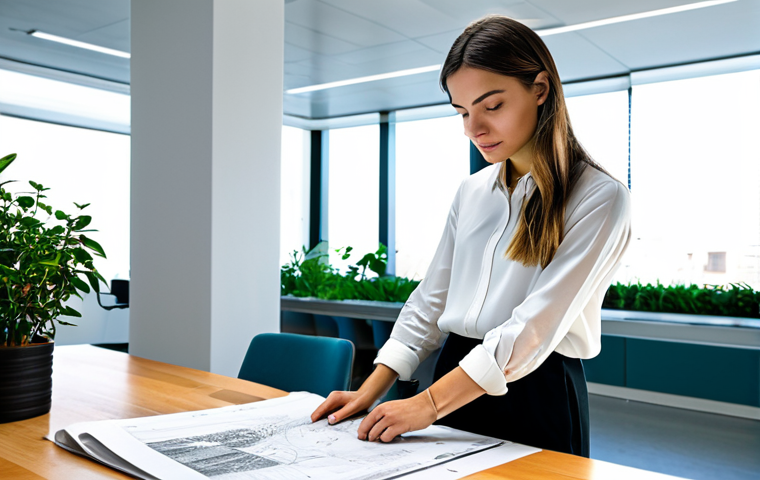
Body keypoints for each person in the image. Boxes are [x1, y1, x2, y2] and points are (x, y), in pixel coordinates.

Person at [310, 14, 631, 458]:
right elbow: (431, 300)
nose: (472, 128)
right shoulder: (472, 190)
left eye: (491, 106)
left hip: (536, 389)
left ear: (540, 90)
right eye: (462, 112)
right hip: (453, 376)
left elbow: (533, 331)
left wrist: (428, 403)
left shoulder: (600, 197)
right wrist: (372, 388)